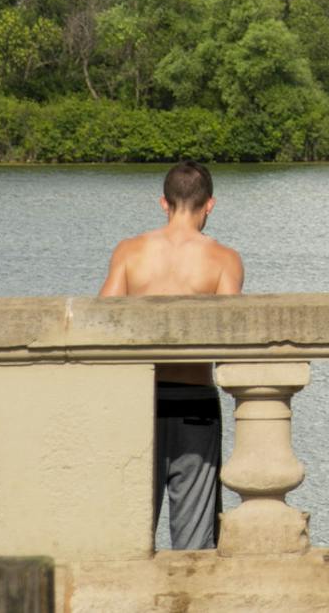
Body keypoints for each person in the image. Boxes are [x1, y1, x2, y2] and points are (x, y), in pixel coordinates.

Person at [99, 159, 244, 551]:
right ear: (209, 205)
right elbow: (230, 340)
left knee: (128, 538)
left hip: (140, 401)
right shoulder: (224, 260)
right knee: (195, 544)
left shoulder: (129, 253)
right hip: (195, 402)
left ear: (163, 203)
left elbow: (100, 326)